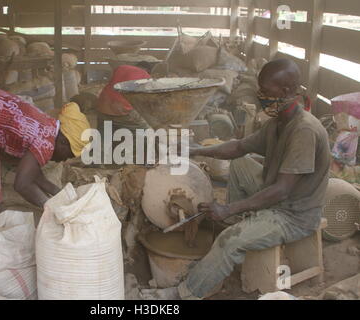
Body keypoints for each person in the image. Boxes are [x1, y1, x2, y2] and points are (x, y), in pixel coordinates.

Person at [141, 58, 331, 300]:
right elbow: (238, 148)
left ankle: (183, 293)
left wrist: (228, 208)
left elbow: (282, 190)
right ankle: (241, 221)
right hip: (278, 196)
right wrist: (195, 150)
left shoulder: (303, 130)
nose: (260, 95)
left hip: (295, 214)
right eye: (259, 89)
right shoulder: (277, 123)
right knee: (241, 163)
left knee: (228, 240)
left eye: (265, 91)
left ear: (286, 91)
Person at [0, 86, 90, 218]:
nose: (63, 161)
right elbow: (22, 185)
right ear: (63, 142)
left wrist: (65, 197)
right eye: (68, 155)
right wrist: (54, 209)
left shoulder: (49, 128)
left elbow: (36, 175)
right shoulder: (46, 141)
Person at [96, 63, 152, 135]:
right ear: (148, 70)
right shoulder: (146, 76)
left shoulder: (121, 67)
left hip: (103, 105)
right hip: (121, 109)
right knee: (145, 131)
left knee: (103, 135)